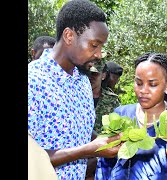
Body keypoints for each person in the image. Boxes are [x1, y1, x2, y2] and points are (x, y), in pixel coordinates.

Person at [28, 0, 122, 179]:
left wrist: (107, 140)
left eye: (102, 46)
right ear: (69, 36)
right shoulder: (33, 81)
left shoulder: (83, 82)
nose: (99, 54)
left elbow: (81, 133)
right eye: (94, 45)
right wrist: (85, 151)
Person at [95, 52, 167, 180]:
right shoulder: (121, 117)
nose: (143, 90)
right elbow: (104, 168)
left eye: (152, 84)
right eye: (139, 83)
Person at [94, 61, 124, 133]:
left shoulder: (112, 100)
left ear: (103, 76)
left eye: (95, 74)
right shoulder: (76, 96)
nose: (91, 77)